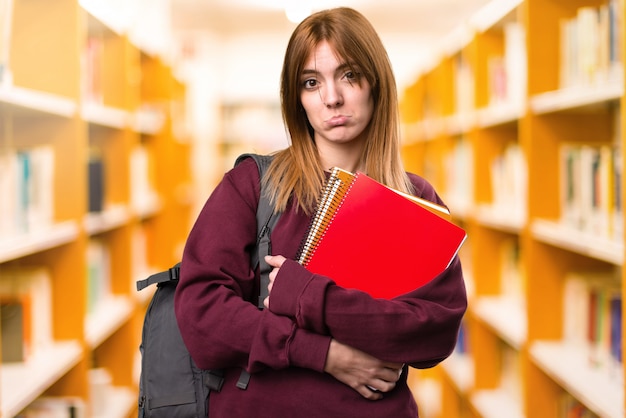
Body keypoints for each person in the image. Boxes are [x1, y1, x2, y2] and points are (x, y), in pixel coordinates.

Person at [174, 7, 467, 418]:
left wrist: (308, 296)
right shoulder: (252, 184)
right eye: (311, 83)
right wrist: (325, 353)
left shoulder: (415, 197)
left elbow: (433, 332)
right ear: (297, 99)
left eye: (349, 75)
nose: (332, 98)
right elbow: (201, 316)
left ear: (377, 83)